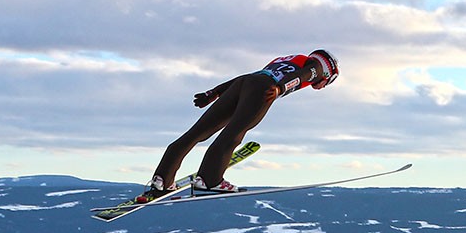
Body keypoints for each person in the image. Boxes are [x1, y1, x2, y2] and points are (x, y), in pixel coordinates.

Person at [139, 49, 338, 202]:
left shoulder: (288, 59)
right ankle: (210, 180)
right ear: (328, 72)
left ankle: (162, 179)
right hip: (265, 89)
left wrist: (215, 92)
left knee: (198, 131)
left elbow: (250, 76)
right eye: (327, 82)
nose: (322, 86)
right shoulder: (318, 68)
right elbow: (303, 76)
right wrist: (280, 88)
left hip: (245, 83)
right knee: (234, 133)